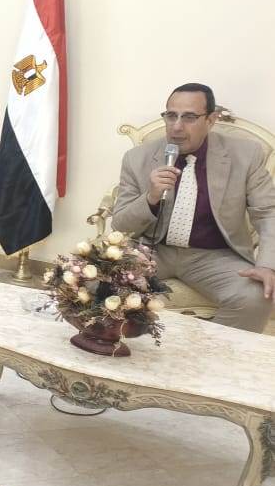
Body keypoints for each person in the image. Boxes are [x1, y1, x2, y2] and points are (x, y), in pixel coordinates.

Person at [111, 82, 275, 332]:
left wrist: (267, 265)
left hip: (215, 255)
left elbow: (268, 213)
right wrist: (150, 197)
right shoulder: (137, 158)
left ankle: (212, 353)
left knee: (256, 297)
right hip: (153, 250)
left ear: (211, 120)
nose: (177, 127)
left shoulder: (246, 154)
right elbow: (121, 226)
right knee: (96, 281)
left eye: (189, 117)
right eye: (171, 116)